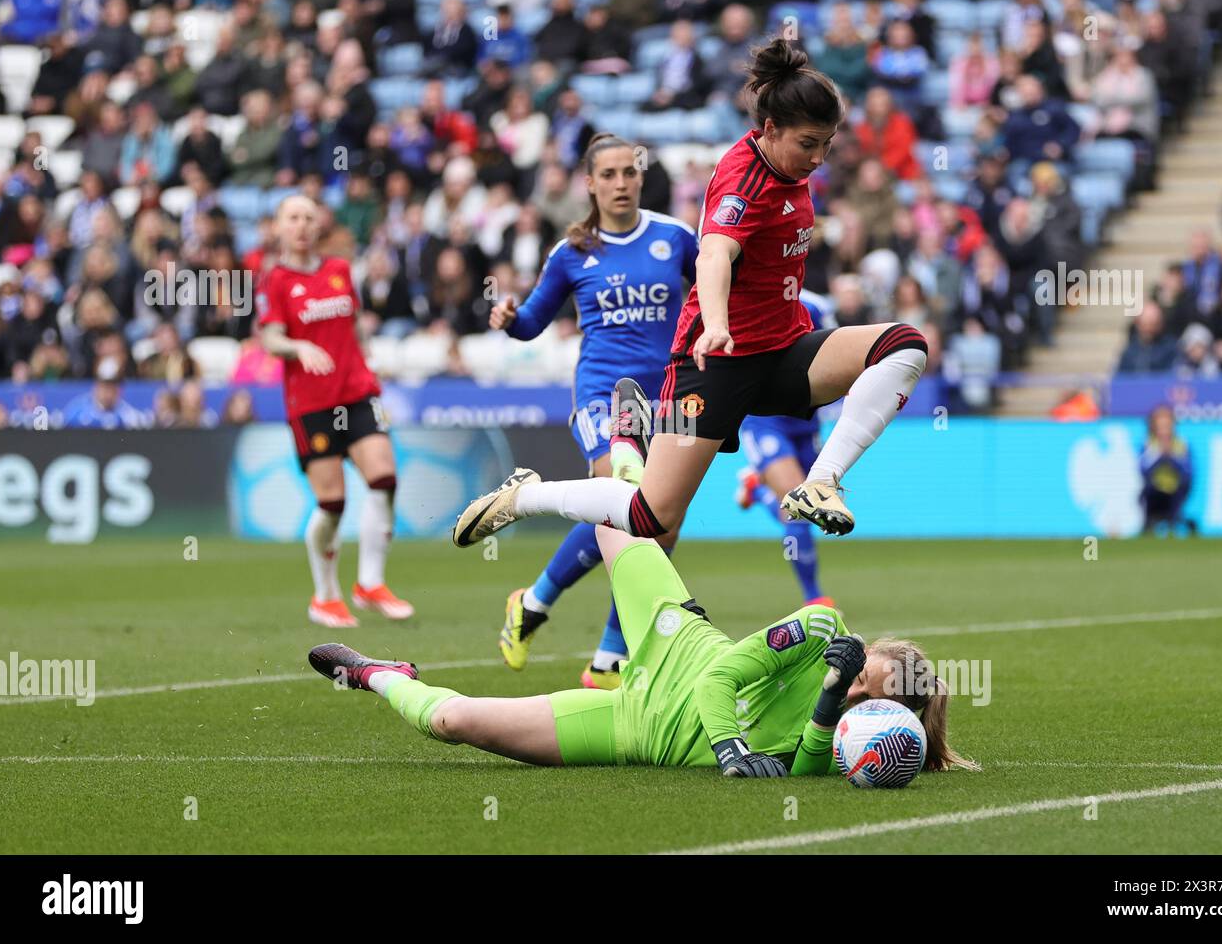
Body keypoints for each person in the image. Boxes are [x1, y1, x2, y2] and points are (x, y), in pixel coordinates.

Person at [453, 40, 928, 551]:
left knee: (903, 344)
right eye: (808, 144)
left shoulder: (790, 168)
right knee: (649, 516)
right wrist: (718, 323)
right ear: (770, 129)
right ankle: (526, 496)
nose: (817, 158)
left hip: (782, 350)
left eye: (826, 145)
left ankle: (821, 481)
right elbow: (714, 254)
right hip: (715, 363)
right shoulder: (743, 181)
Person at [310, 434, 974, 777]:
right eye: (862, 677)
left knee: (453, 722)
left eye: (870, 697)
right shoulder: (823, 627)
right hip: (676, 641)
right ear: (870, 649)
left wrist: (830, 707)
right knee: (622, 516)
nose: (857, 691)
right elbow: (721, 679)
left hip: (638, 729)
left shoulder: (858, 739)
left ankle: (380, 674)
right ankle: (614, 455)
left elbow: (804, 764)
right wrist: (732, 749)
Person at [488, 133, 698, 689]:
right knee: (619, 495)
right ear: (590, 183)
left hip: (672, 396)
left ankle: (608, 659)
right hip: (604, 392)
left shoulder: (675, 238)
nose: (621, 183)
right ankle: (534, 604)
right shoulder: (572, 253)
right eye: (609, 174)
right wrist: (509, 318)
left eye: (629, 172)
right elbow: (533, 322)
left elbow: (714, 293)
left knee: (660, 524)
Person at [258, 195, 414, 628]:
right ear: (279, 226)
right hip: (312, 403)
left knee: (383, 477)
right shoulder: (275, 280)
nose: (302, 225)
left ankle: (370, 582)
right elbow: (270, 339)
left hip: (357, 391)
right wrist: (298, 346)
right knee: (333, 503)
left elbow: (355, 325)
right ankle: (326, 595)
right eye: (293, 218)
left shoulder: (340, 271)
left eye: (309, 217)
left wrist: (370, 363)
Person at [733, 290, 835, 607]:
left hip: (805, 420)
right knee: (798, 509)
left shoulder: (817, 306)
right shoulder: (744, 297)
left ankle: (757, 487)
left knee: (816, 510)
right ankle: (814, 597)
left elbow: (834, 352)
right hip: (764, 419)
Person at [1139, 406, 1195, 536]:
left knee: (1178, 495)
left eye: (1167, 426)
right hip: (1153, 491)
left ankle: (1175, 524)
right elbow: (1143, 470)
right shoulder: (1148, 445)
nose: (1164, 431)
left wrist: (1171, 457)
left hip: (1176, 491)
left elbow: (1188, 473)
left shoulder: (1181, 444)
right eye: (1160, 426)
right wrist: (1160, 456)